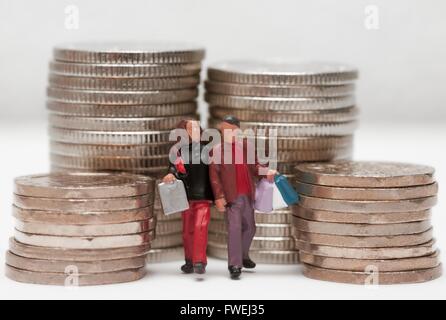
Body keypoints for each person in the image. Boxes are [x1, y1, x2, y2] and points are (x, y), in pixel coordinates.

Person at [209, 116, 277, 280]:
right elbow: (214, 176)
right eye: (224, 130)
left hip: (247, 195)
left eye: (231, 129)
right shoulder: (217, 150)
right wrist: (218, 196)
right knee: (234, 229)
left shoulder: (246, 146)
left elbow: (255, 167)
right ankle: (235, 264)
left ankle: (243, 255)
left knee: (250, 228)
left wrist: (266, 172)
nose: (228, 133)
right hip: (232, 197)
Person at [163, 120, 214, 275]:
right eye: (191, 128)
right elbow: (173, 167)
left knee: (200, 227)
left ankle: (200, 261)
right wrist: (171, 174)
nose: (195, 130)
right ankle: (189, 260)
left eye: (197, 127)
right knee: (187, 231)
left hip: (203, 196)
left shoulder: (208, 150)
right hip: (185, 196)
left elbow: (216, 173)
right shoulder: (178, 151)